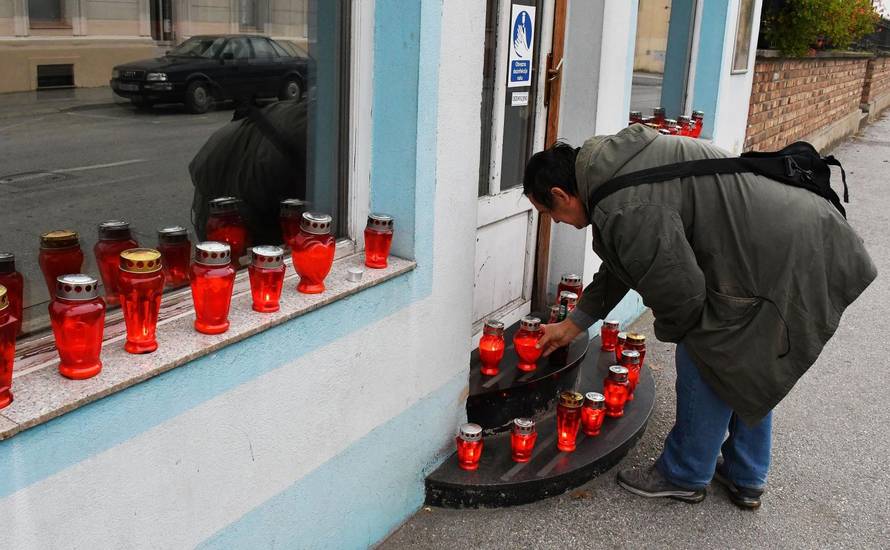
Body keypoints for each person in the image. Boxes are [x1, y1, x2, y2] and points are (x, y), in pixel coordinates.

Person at [524, 124, 876, 509]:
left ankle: (684, 473)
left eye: (548, 213)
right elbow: (625, 259)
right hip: (796, 236)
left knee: (706, 350)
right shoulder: (611, 168)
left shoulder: (624, 205)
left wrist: (682, 335)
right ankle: (746, 474)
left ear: (561, 194)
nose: (555, 222)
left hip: (785, 250)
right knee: (751, 355)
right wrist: (574, 324)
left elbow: (682, 295)